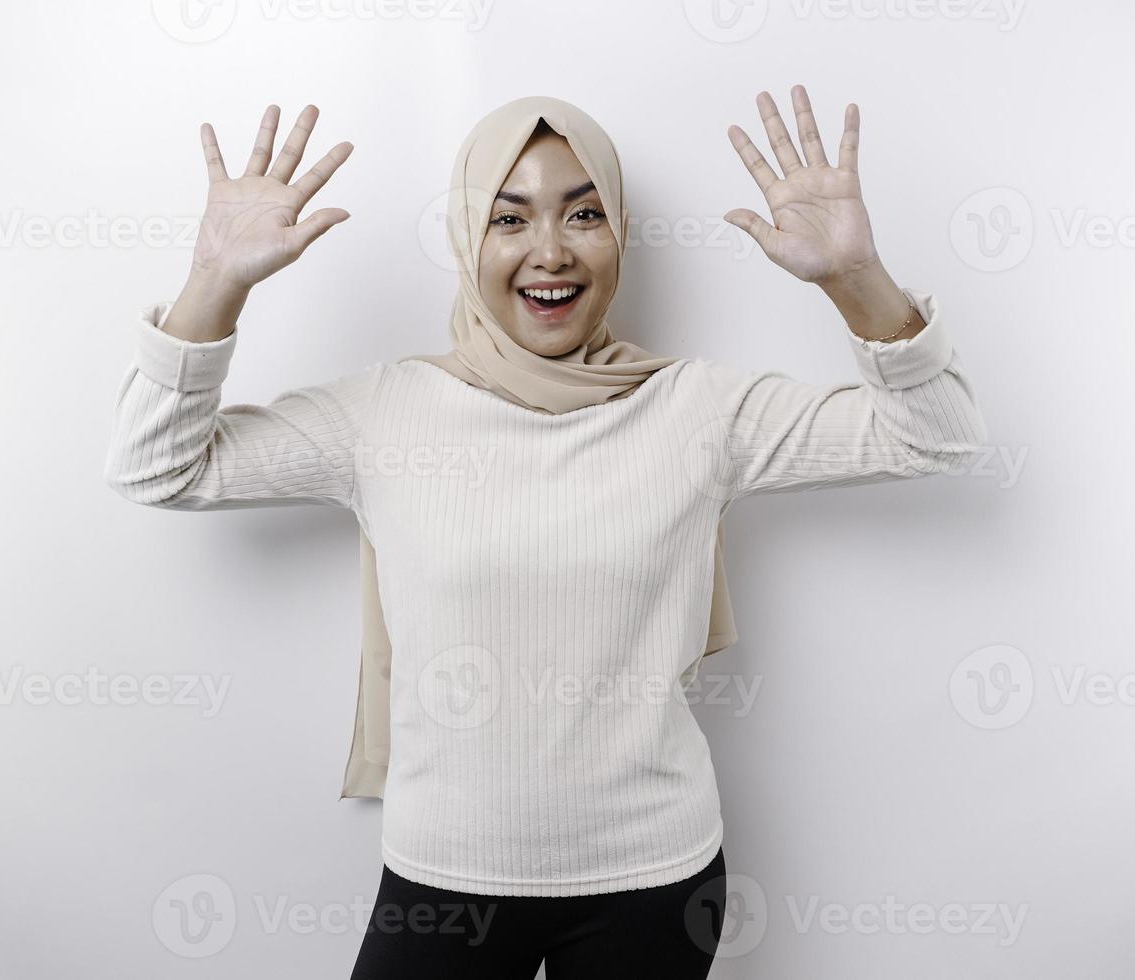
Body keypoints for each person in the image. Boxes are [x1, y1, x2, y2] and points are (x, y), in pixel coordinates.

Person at [104, 90, 987, 978]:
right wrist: (214, 280)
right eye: (509, 217)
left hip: (656, 884)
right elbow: (156, 466)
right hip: (441, 885)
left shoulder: (697, 409)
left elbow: (938, 434)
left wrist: (854, 276)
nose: (551, 252)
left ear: (620, 235)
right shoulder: (384, 413)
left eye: (585, 213)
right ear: (467, 240)